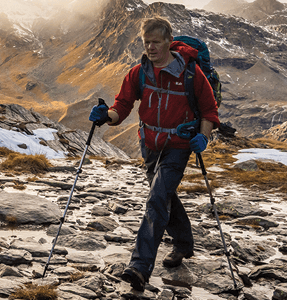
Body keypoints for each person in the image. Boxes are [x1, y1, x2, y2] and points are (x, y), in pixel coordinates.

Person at [89, 16, 220, 292]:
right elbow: (122, 105)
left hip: (179, 145)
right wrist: (106, 117)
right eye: (146, 42)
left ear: (169, 42)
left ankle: (139, 267)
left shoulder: (191, 73)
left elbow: (209, 110)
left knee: (157, 198)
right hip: (149, 143)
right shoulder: (139, 72)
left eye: (156, 42)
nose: (150, 47)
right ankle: (184, 244)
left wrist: (203, 137)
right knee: (165, 194)